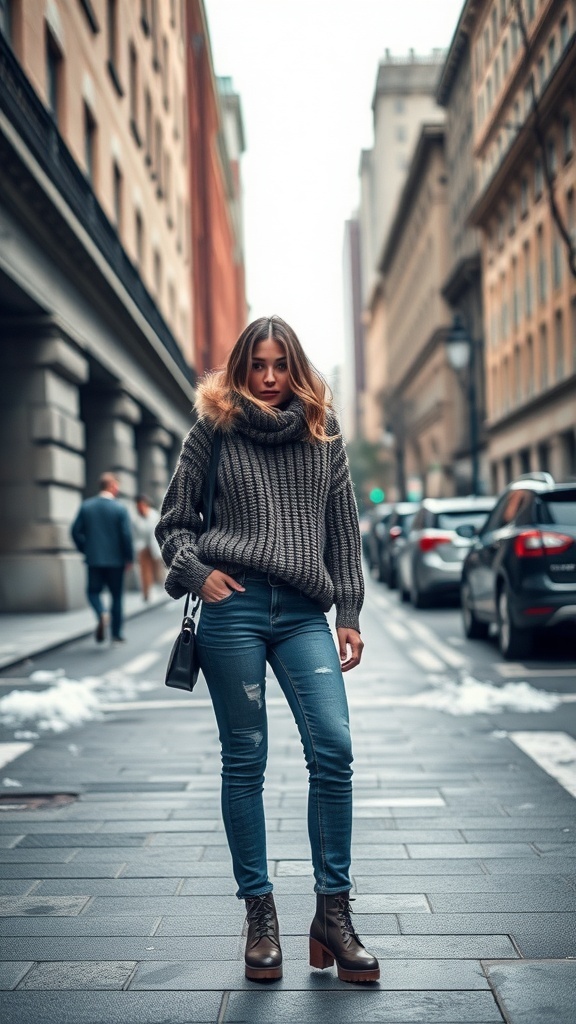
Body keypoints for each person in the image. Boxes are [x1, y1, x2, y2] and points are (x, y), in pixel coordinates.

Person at [156, 316, 379, 984]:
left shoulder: (322, 433)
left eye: (282, 364)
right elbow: (173, 523)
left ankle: (332, 917)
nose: (271, 378)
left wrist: (350, 611)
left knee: (333, 749)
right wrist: (199, 574)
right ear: (240, 368)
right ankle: (260, 917)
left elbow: (345, 529)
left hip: (304, 611)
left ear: (297, 367)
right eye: (258, 365)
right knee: (245, 759)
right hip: (236, 609)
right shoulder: (213, 433)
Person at [71, 472, 134, 644]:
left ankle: (101, 613)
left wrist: (86, 549)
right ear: (112, 486)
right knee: (116, 597)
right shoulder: (119, 508)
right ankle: (116, 635)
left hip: (94, 559)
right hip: (116, 561)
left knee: (93, 592)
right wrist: (129, 558)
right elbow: (126, 536)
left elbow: (75, 532)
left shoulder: (87, 506)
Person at [132, 494, 163, 600]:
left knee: (156, 570)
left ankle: (156, 588)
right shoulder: (136, 519)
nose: (140, 507)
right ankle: (146, 593)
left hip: (154, 546)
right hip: (142, 548)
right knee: (145, 571)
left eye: (141, 505)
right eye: (138, 505)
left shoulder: (154, 515)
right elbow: (135, 535)